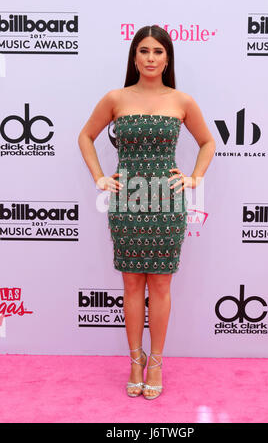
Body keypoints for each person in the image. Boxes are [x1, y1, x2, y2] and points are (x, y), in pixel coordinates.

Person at [78, 25, 216, 400]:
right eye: (144, 51)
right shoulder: (115, 97)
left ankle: (155, 361)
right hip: (128, 201)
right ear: (134, 57)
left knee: (161, 285)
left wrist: (193, 178)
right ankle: (134, 360)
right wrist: (100, 178)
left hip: (166, 201)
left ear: (168, 57)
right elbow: (85, 137)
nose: (151, 58)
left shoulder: (181, 100)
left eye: (158, 51)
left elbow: (207, 142)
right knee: (132, 285)